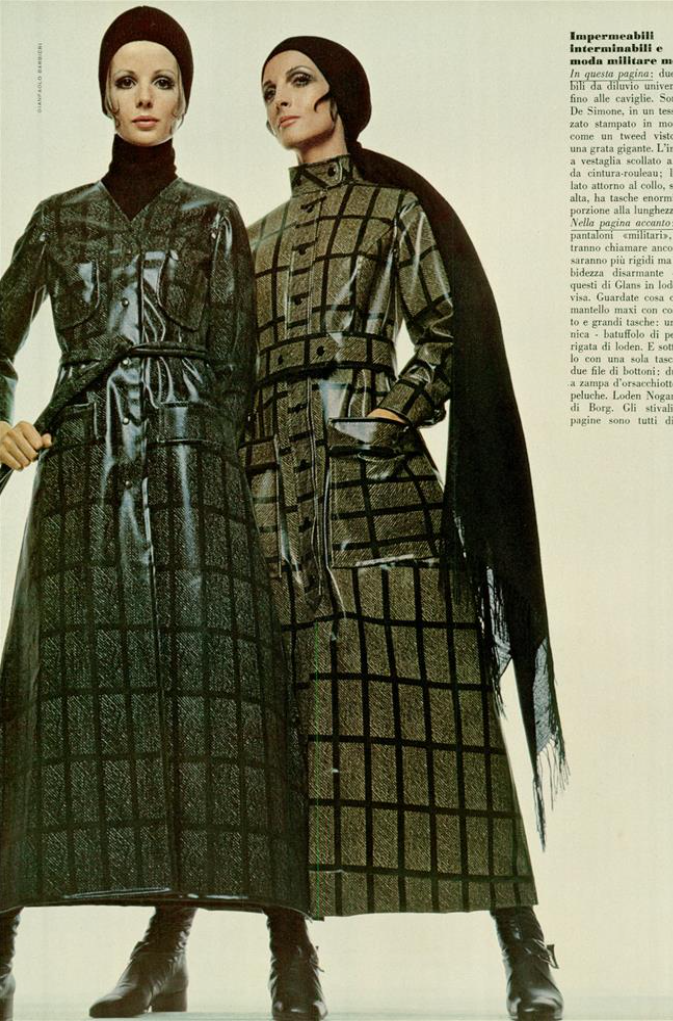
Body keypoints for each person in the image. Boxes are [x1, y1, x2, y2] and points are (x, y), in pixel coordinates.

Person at [105, 34, 569, 1021]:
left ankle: (525, 947)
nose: (279, 100)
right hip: (266, 487)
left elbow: (444, 333)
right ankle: (288, 961)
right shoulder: (251, 237)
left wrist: (395, 411)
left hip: (377, 483)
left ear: (341, 96)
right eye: (266, 90)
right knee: (261, 718)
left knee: (443, 703)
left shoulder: (396, 212)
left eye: (298, 82)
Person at [0, 10, 311, 1021]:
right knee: (55, 700)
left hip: (191, 478)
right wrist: (2, 426)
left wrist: (206, 462)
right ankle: (1, 951)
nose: (144, 95)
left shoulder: (214, 217)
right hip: (81, 476)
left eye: (163, 80)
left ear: (184, 100)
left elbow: (237, 368)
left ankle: (232, 949)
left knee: (214, 702)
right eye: (126, 79)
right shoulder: (56, 219)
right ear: (102, 95)